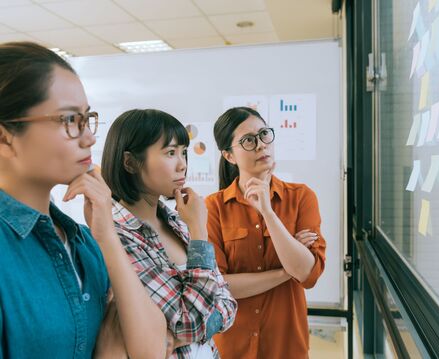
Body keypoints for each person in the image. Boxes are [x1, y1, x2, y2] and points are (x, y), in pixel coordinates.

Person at [0, 42, 167, 359]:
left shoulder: (85, 241)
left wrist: (106, 235)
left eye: (87, 118)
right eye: (68, 120)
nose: (89, 137)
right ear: (5, 135)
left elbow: (151, 350)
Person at [101, 109, 237, 358]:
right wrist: (198, 232)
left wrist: (186, 331)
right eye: (170, 153)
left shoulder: (177, 221)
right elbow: (190, 321)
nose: (182, 164)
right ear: (130, 162)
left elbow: (228, 304)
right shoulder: (117, 237)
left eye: (184, 152)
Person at [205, 107, 327, 359]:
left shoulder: (301, 197)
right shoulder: (213, 207)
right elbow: (219, 285)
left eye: (264, 134)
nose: (261, 145)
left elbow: (308, 274)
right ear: (229, 155)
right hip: (231, 348)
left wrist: (269, 214)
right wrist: (286, 270)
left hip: (286, 346)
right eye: (248, 140)